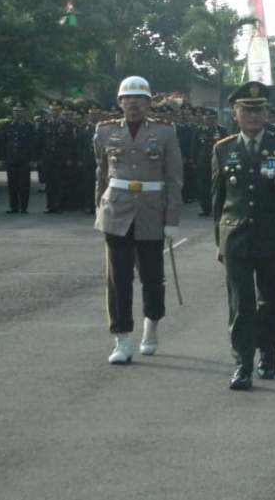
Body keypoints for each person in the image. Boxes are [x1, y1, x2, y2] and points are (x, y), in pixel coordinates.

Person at [211, 81, 275, 390]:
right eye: (246, 110)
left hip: (273, 234)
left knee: (271, 301)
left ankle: (268, 353)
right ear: (235, 113)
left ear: (267, 113)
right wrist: (218, 242)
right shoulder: (223, 149)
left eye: (259, 110)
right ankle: (242, 364)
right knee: (241, 303)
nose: (253, 116)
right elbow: (217, 199)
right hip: (235, 236)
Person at [93, 76, 183, 365]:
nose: (133, 102)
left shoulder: (165, 132)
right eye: (127, 98)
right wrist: (99, 208)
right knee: (117, 279)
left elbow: (173, 178)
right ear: (120, 102)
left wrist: (172, 218)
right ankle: (121, 338)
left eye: (139, 98)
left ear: (148, 102)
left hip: (151, 211)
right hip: (116, 211)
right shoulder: (104, 131)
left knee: (152, 277)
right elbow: (102, 172)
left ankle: (151, 327)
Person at [0, 102, 36, 214]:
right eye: (15, 110)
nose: (17, 113)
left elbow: (32, 144)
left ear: (24, 112)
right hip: (11, 159)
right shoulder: (7, 126)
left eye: (20, 111)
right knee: (12, 185)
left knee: (24, 185)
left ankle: (23, 207)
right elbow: (3, 143)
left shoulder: (29, 127)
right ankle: (13, 207)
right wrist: (2, 158)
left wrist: (32, 159)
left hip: (24, 160)